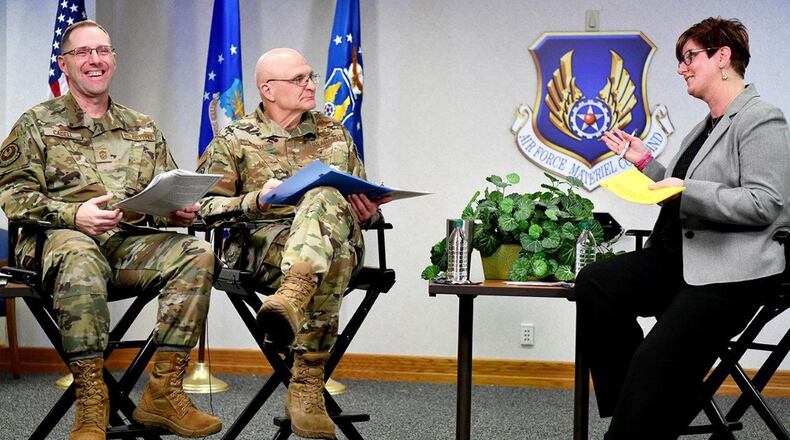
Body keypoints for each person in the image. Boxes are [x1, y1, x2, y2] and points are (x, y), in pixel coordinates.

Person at [0, 20, 221, 439]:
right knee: (79, 252)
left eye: (102, 50)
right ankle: (90, 401)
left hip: (123, 246)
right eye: (82, 53)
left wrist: (175, 211)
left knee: (197, 254)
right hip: (54, 244)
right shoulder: (36, 122)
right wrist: (73, 215)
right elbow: (13, 196)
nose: (94, 60)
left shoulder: (142, 127)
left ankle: (163, 391)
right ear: (64, 64)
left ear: (113, 59)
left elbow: (160, 192)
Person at [577, 17, 790, 439]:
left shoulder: (761, 118)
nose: (681, 68)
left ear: (723, 56)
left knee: (654, 363)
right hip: (677, 257)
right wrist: (645, 163)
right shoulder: (705, 125)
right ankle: (642, 409)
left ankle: (641, 417)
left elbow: (766, 203)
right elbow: (676, 190)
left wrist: (686, 187)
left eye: (690, 56)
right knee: (595, 282)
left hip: (729, 270)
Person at [198, 47, 390, 439]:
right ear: (267, 89)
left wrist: (369, 211)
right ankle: (306, 385)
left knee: (323, 196)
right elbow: (203, 208)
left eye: (310, 77)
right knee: (331, 259)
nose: (310, 85)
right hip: (265, 247)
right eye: (299, 79)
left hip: (333, 238)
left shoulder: (334, 133)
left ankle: (292, 296)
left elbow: (364, 202)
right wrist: (257, 199)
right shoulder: (234, 139)